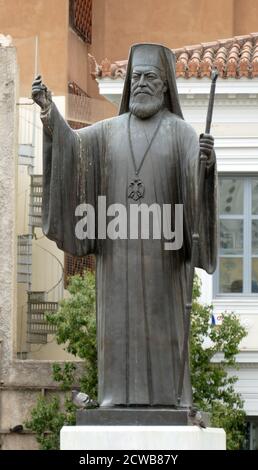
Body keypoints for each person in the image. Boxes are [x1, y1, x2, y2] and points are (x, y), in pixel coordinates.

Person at [32, 43, 217, 408]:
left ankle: (169, 399)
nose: (142, 84)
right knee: (116, 332)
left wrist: (205, 166)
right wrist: (49, 113)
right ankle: (114, 399)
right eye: (136, 77)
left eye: (150, 77)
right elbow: (73, 149)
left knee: (163, 332)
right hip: (116, 264)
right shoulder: (108, 132)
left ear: (166, 86)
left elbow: (196, 189)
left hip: (164, 263)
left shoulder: (182, 134)